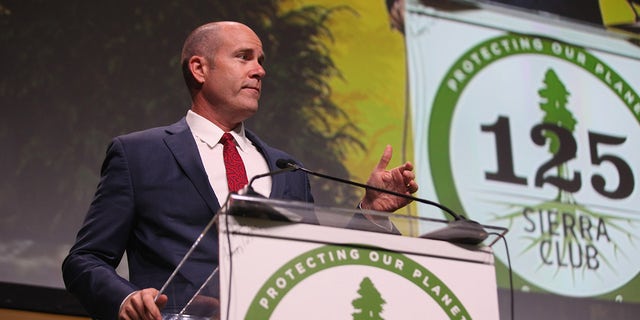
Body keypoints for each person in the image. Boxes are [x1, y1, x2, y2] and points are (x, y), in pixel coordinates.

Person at [62, 21, 418, 320]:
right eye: (244, 57)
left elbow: (317, 264)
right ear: (199, 69)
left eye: (261, 60)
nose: (260, 70)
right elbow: (85, 258)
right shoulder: (140, 154)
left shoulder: (287, 169)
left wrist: (369, 212)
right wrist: (127, 299)